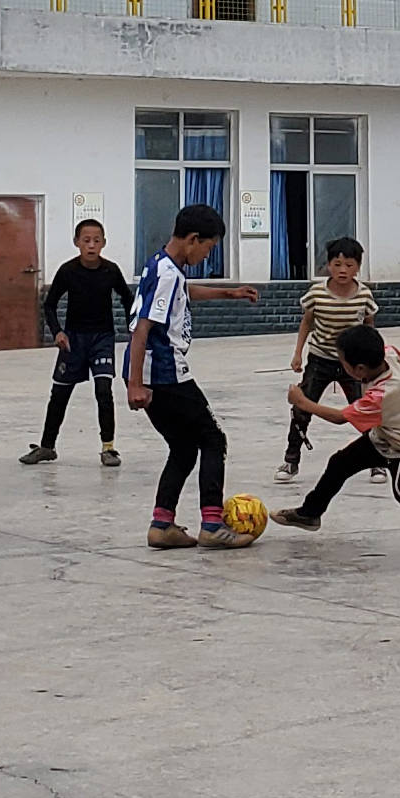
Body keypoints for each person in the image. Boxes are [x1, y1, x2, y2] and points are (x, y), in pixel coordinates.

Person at [271, 325, 400, 565]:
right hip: (383, 438)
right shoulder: (391, 355)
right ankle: (310, 514)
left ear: (359, 369)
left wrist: (303, 402)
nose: (342, 368)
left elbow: (340, 417)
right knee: (339, 463)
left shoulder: (381, 395)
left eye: (343, 364)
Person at [125, 202, 260, 550]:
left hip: (158, 372)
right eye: (209, 248)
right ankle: (213, 524)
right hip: (167, 374)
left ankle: (162, 524)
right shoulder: (169, 272)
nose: (207, 255)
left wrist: (228, 293)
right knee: (213, 440)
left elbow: (183, 294)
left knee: (184, 447)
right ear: (193, 239)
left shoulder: (161, 265)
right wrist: (135, 384)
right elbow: (142, 329)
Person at [21, 220, 134, 468]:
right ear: (77, 243)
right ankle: (47, 447)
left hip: (102, 338)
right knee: (59, 394)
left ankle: (108, 448)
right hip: (73, 340)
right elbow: (49, 304)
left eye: (96, 241)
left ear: (104, 243)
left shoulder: (111, 271)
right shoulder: (68, 271)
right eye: (86, 240)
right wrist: (58, 332)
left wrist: (132, 328)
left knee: (103, 391)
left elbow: (128, 298)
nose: (91, 245)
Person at [274, 235, 383, 484]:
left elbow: (370, 329)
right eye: (337, 264)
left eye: (349, 265)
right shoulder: (317, 294)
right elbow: (307, 323)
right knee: (302, 407)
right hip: (321, 359)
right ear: (328, 265)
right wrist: (297, 353)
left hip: (355, 366)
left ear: (358, 266)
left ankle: (378, 461)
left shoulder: (364, 295)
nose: (343, 270)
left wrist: (376, 361)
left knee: (366, 410)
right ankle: (291, 460)